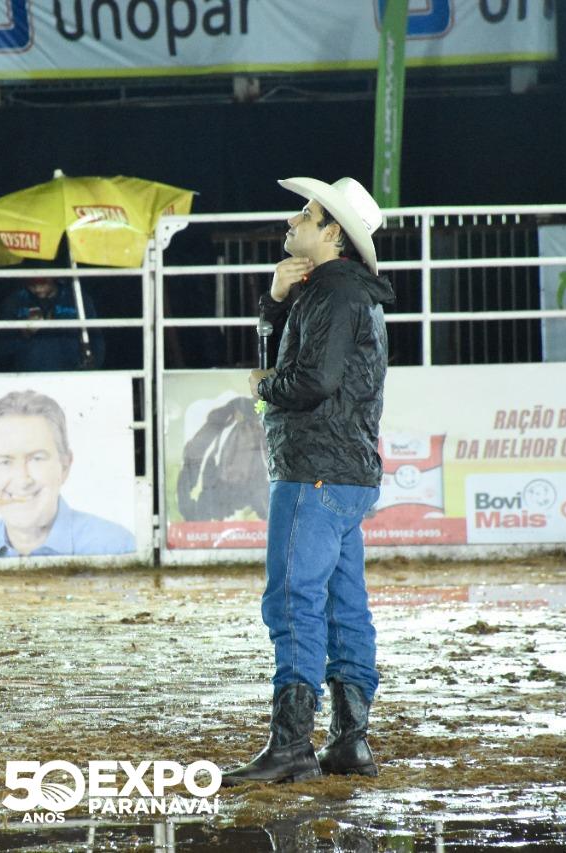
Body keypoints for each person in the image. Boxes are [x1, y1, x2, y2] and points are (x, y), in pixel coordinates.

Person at [220, 177, 395, 785]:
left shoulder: (332, 294)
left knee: (293, 600)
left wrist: (263, 386)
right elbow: (317, 370)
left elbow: (310, 380)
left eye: (306, 213)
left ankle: (292, 745)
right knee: (345, 606)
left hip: (312, 469)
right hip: (344, 472)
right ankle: (350, 739)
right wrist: (274, 301)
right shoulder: (345, 292)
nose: (293, 221)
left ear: (332, 234)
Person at [0, 389, 134, 559]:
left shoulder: (116, 547)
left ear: (65, 466)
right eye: (5, 461)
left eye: (36, 458)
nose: (22, 479)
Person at [0, 276, 105, 371]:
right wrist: (24, 332)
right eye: (31, 282)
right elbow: (1, 349)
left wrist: (91, 370)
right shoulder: (15, 301)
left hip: (71, 375)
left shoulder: (78, 298)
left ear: (53, 276)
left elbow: (97, 342)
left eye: (42, 281)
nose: (37, 287)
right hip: (28, 379)